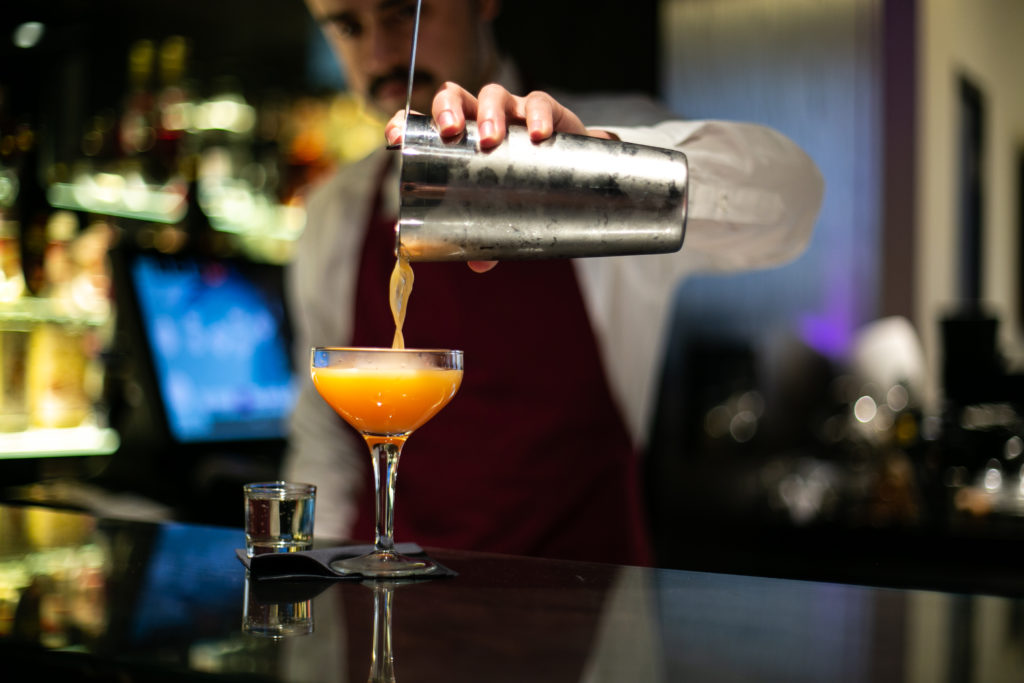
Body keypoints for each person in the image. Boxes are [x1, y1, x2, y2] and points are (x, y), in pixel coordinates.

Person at [283, 0, 824, 565]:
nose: (379, 54)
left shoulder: (605, 133)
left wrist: (588, 173)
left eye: (402, 14)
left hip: (579, 622)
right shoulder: (333, 216)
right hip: (388, 625)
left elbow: (793, 200)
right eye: (348, 26)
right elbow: (327, 451)